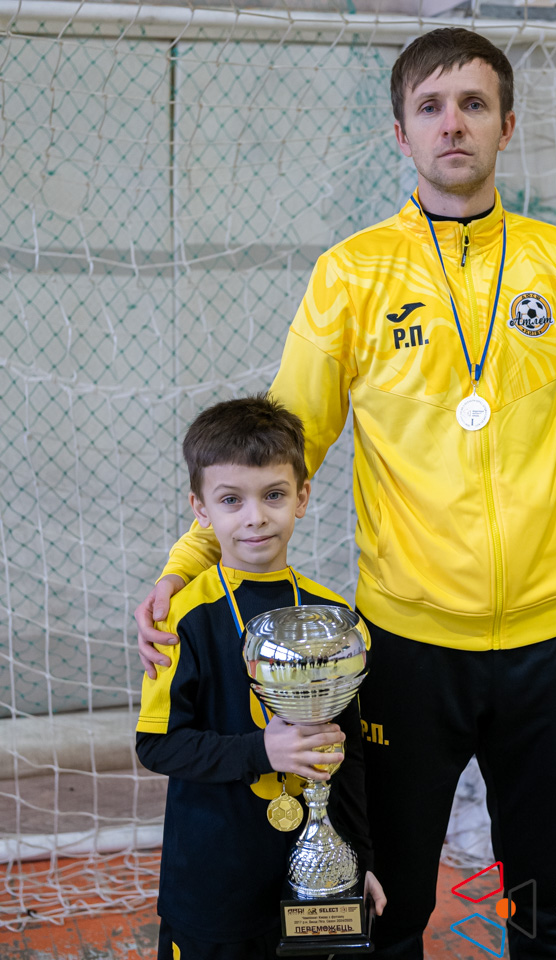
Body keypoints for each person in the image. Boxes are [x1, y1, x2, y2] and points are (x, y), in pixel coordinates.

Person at [135, 29, 556, 959]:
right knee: (392, 899)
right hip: (407, 646)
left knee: (544, 891)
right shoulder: (352, 273)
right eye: (430, 108)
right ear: (400, 135)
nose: (453, 125)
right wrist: (188, 562)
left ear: (506, 125)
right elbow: (280, 442)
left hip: (549, 636)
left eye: (474, 105)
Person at [135, 394, 385, 960]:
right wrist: (261, 751)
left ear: (302, 497)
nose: (255, 517)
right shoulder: (181, 618)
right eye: (231, 500)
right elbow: (157, 745)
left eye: (274, 495)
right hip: (213, 883)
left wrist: (360, 861)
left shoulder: (333, 617)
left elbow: (348, 755)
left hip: (310, 882)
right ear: (200, 509)